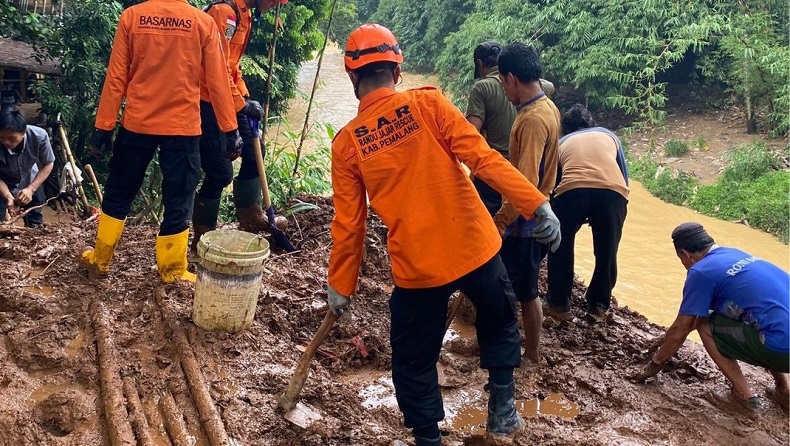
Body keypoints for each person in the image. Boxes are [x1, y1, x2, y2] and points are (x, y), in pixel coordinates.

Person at [326, 24, 561, 446]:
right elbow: (483, 158)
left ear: (351, 76)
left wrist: (341, 285)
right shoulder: (429, 104)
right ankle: (502, 408)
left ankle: (427, 437)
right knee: (499, 315)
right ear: (398, 72)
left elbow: (350, 225)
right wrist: (535, 202)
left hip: (419, 265)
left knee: (414, 355)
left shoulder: (347, 145)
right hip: (474, 244)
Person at [80, 0, 239, 283]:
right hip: (183, 127)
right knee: (179, 196)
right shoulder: (202, 23)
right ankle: (173, 271)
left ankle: (101, 259)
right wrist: (230, 129)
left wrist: (103, 126)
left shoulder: (132, 17)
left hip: (137, 123)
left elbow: (116, 75)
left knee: (119, 190)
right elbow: (217, 79)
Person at [635, 223, 789, 410]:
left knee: (705, 326)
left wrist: (655, 364)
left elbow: (683, 326)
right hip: (780, 331)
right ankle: (783, 387)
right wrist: (664, 339)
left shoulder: (700, 271)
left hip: (783, 351)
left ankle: (746, 397)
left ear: (684, 254)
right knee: (766, 318)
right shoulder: (734, 254)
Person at [192, 0, 287, 251]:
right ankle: (202, 235)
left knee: (255, 152)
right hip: (206, 102)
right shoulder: (223, 13)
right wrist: (240, 104)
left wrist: (244, 97)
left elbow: (232, 66)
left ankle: (251, 218)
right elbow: (215, 69)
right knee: (220, 172)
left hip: (229, 97)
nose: (277, 4)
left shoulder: (244, 15)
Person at [492, 42, 560, 365]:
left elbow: (526, 184)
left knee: (524, 293)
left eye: (503, 83)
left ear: (511, 79)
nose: (505, 91)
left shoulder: (532, 120)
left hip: (525, 223)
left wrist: (501, 220)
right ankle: (523, 349)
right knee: (522, 289)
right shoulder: (548, 107)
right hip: (534, 217)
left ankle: (530, 354)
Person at [544, 104, 629, 323]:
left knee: (560, 244)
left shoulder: (562, 142)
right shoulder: (609, 136)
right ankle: (598, 306)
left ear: (565, 128)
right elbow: (622, 173)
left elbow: (555, 181)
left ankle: (559, 304)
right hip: (613, 193)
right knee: (607, 250)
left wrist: (554, 213)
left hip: (573, 189)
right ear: (591, 123)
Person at [466, 41, 555, 216]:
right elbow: (550, 86)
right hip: (534, 185)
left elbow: (470, 135)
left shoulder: (483, 87)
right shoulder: (544, 97)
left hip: (495, 175)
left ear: (480, 64)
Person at [0, 107, 55, 227]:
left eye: (11, 138)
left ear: (23, 132)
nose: (6, 142)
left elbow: (48, 163)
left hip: (30, 177)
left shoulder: (39, 136)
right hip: (3, 180)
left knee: (34, 218)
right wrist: (8, 196)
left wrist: (31, 189)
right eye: (2, 138)